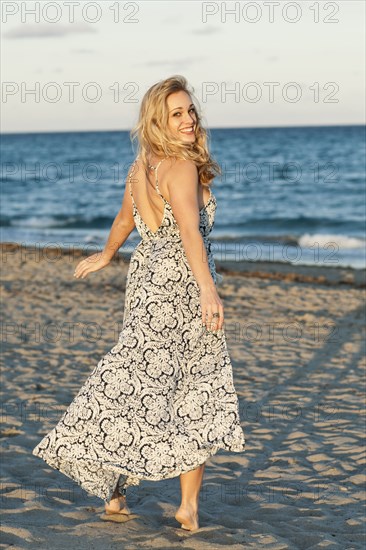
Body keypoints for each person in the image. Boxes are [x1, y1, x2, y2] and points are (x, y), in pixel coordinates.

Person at [32, 75, 246, 532]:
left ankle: (114, 492)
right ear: (158, 120)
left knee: (136, 383)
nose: (189, 119)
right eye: (177, 114)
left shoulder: (141, 165)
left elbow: (124, 219)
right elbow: (190, 231)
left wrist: (107, 255)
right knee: (198, 390)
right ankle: (187, 506)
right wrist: (208, 288)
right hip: (183, 289)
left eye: (190, 110)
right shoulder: (182, 168)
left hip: (146, 285)